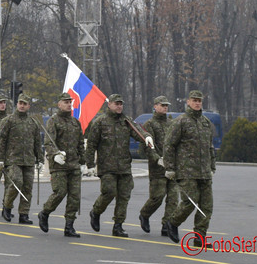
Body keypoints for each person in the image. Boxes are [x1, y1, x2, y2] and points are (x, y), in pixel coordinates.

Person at [85, 93, 153, 237]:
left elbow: (138, 131)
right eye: (116, 103)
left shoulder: (126, 121)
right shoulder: (101, 122)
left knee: (124, 196)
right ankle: (96, 212)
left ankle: (118, 225)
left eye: (121, 103)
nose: (119, 106)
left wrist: (146, 137)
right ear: (109, 105)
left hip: (124, 166)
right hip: (107, 166)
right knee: (109, 192)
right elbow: (91, 144)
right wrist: (90, 163)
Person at [164, 90, 216, 248]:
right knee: (189, 202)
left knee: (206, 206)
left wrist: (212, 165)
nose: (197, 103)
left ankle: (200, 237)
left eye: (199, 100)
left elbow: (210, 146)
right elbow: (169, 145)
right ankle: (172, 223)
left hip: (204, 171)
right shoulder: (181, 121)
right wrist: (170, 168)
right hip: (186, 171)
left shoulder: (206, 122)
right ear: (188, 102)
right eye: (194, 100)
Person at [38, 93, 86, 238]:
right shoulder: (53, 121)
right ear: (59, 104)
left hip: (73, 164)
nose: (68, 104)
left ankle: (69, 226)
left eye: (70, 102)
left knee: (74, 196)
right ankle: (45, 213)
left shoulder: (75, 122)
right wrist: (55, 155)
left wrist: (83, 162)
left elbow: (80, 143)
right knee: (60, 192)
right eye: (65, 102)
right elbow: (49, 142)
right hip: (59, 164)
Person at [0, 94, 42, 224]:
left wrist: (40, 159)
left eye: (24, 104)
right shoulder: (8, 120)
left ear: (28, 106)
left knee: (27, 188)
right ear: (17, 104)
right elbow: (1, 140)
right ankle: (7, 206)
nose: (22, 105)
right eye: (20, 103)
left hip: (28, 160)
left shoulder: (33, 123)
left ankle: (24, 214)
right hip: (13, 159)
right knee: (16, 182)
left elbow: (37, 142)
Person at [138, 95, 177, 237]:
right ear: (155, 106)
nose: (165, 107)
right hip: (158, 167)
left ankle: (167, 225)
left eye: (166, 105)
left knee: (173, 198)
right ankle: (145, 214)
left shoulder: (171, 123)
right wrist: (157, 159)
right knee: (157, 197)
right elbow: (148, 146)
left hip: (172, 166)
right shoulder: (150, 124)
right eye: (162, 105)